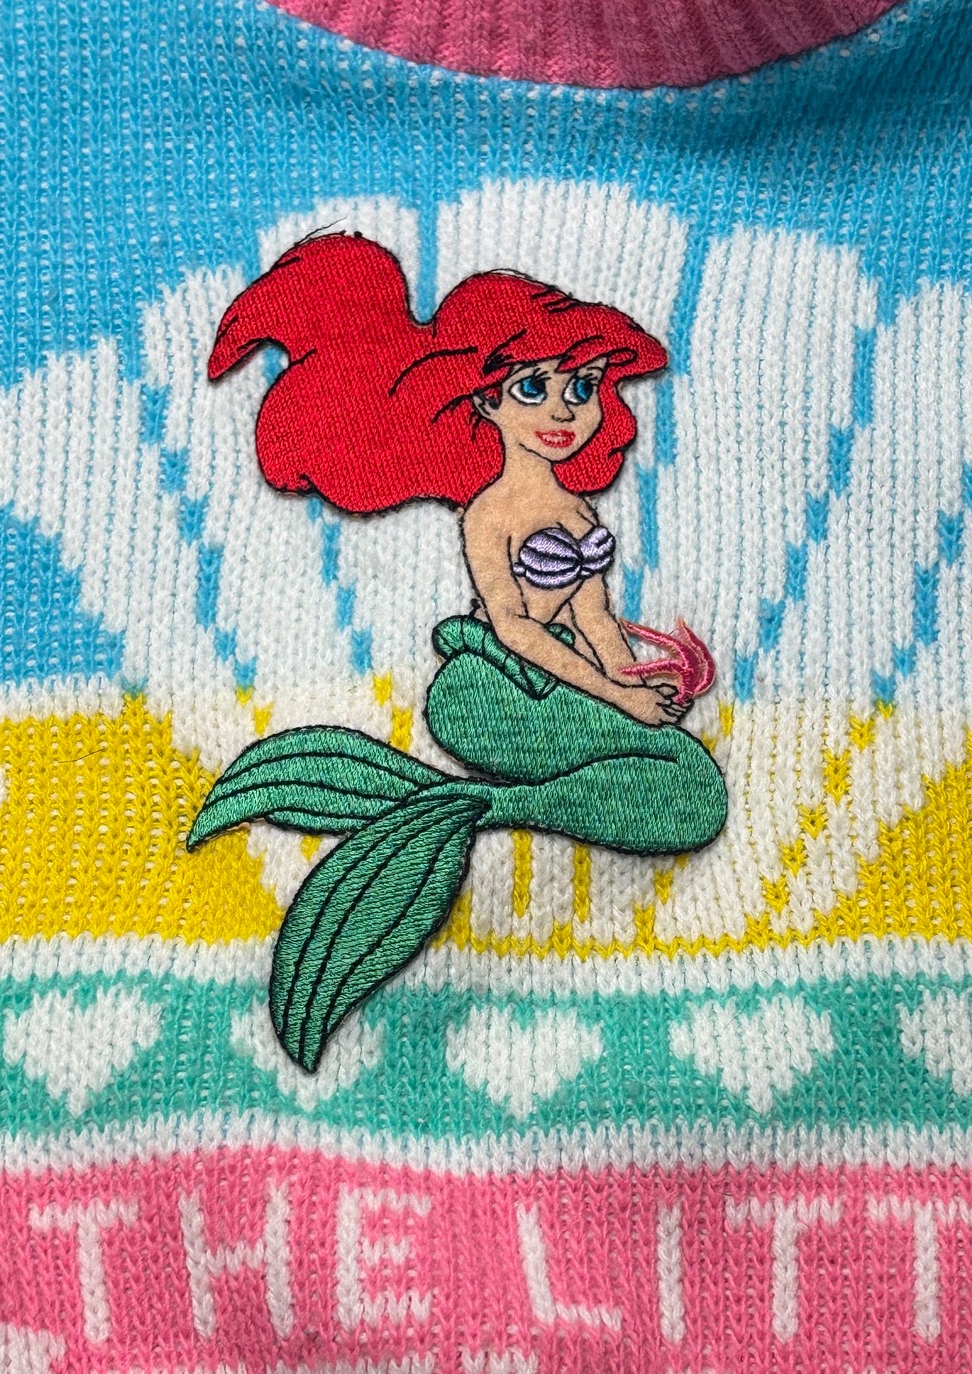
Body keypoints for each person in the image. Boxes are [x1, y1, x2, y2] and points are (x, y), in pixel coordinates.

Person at [188, 233, 727, 1072]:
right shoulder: (489, 516)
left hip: (551, 679)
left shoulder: (578, 512)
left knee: (689, 780)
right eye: (533, 387)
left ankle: (465, 804)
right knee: (677, 783)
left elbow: (594, 619)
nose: (563, 410)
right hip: (485, 687)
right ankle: (483, 805)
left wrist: (637, 682)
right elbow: (514, 627)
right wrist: (622, 702)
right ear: (486, 400)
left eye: (582, 385)